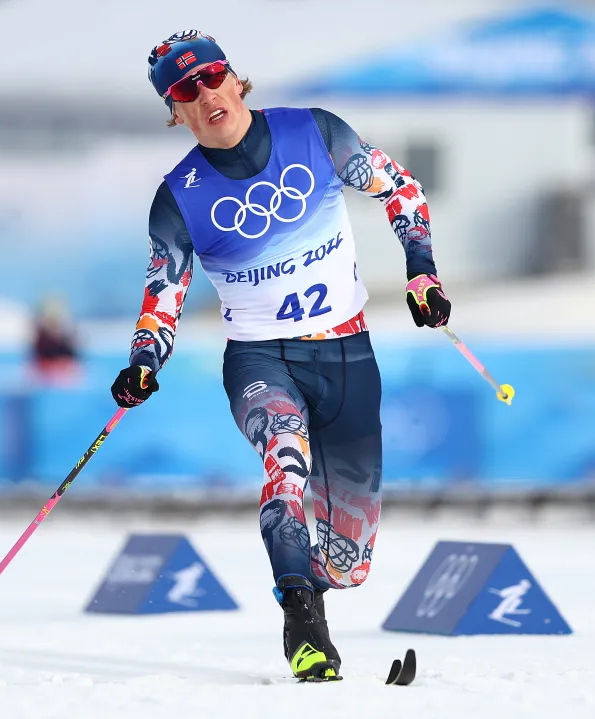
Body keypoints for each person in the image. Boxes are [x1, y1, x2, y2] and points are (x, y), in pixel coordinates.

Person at [109, 30, 450, 681]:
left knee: (349, 562)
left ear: (236, 78)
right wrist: (143, 359)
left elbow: (399, 190)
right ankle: (302, 624)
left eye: (211, 76)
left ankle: (317, 583)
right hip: (262, 361)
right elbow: (163, 295)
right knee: (283, 462)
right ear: (174, 112)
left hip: (347, 355)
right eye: (185, 90)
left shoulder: (315, 132)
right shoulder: (177, 197)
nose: (206, 94)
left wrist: (421, 272)